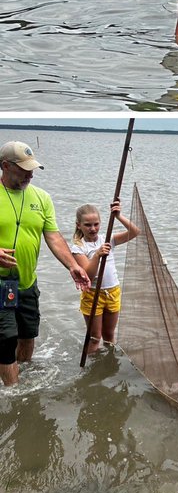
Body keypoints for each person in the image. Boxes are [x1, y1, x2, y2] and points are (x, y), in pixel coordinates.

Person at [0, 140, 92, 386]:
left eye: (32, 168)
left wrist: (73, 265)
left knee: (27, 335)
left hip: (27, 281)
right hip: (1, 283)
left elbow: (53, 236)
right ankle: (14, 395)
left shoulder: (42, 198)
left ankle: (21, 377)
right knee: (7, 338)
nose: (30, 174)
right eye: (23, 169)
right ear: (5, 166)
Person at [71, 199, 141, 355]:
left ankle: (110, 363)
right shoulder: (79, 247)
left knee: (109, 336)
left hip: (113, 292)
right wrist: (97, 255)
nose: (93, 228)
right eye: (88, 225)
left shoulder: (107, 239)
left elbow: (135, 232)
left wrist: (119, 216)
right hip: (93, 294)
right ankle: (92, 369)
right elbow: (88, 275)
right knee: (95, 337)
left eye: (96, 224)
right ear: (79, 225)